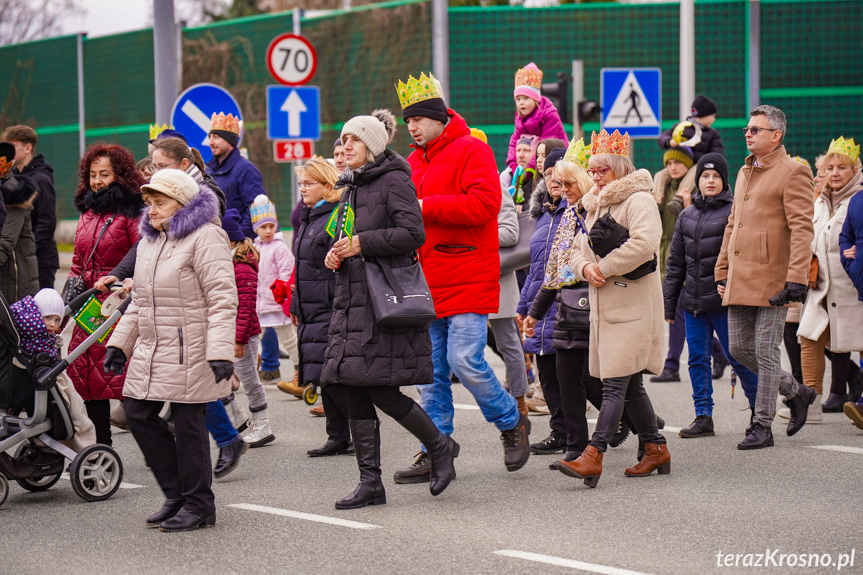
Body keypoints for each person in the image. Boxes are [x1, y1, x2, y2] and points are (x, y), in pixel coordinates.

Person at [394, 73, 530, 484]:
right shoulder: (413, 160)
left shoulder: (473, 148)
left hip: (469, 272)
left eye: (418, 118)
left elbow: (485, 206)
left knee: (464, 360)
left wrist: (424, 206)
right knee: (430, 372)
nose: (412, 127)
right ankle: (435, 448)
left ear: (438, 117)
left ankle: (511, 422)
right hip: (427, 281)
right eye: (408, 121)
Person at [321, 109, 458, 509]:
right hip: (353, 299)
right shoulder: (352, 186)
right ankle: (371, 484)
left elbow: (412, 233)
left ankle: (439, 446)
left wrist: (362, 243)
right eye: (343, 140)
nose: (345, 147)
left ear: (373, 146)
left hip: (382, 302)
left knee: (380, 387)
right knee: (352, 387)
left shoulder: (393, 179)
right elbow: (347, 235)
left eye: (354, 141)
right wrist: (337, 253)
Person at [105, 169, 237, 532]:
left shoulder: (206, 237)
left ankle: (199, 505)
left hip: (193, 347)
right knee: (137, 413)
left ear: (183, 203)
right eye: (150, 203)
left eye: (160, 202)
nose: (153, 209)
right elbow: (141, 301)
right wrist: (120, 343)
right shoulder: (150, 241)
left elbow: (223, 298)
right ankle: (176, 494)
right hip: (153, 347)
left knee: (188, 425)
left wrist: (221, 351)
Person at [557, 129, 670, 488]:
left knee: (613, 384)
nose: (596, 176)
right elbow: (574, 249)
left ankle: (594, 453)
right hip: (606, 308)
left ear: (619, 168)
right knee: (631, 385)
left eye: (602, 169)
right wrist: (584, 268)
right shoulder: (595, 204)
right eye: (592, 170)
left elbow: (645, 243)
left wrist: (601, 268)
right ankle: (656, 448)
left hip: (634, 306)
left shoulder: (638, 200)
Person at [525, 137, 640, 468]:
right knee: (567, 379)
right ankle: (576, 448)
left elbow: (613, 257)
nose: (562, 188)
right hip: (565, 309)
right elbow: (554, 272)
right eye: (559, 183)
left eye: (569, 182)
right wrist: (534, 313)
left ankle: (644, 432)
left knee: (603, 382)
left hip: (596, 304)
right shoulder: (563, 216)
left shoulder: (592, 213)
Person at [715, 105, 817, 450]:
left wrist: (797, 278)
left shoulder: (794, 172)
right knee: (739, 348)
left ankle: (762, 424)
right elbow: (733, 223)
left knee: (764, 348)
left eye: (755, 129)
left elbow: (803, 229)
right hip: (742, 274)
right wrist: (722, 267)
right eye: (747, 129)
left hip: (775, 278)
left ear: (776, 135)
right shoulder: (745, 171)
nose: (747, 133)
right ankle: (797, 392)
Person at [663, 153, 759, 437]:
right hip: (692, 303)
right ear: (698, 181)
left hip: (724, 302)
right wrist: (670, 306)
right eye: (705, 176)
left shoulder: (735, 212)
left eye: (716, 176)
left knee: (739, 357)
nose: (710, 181)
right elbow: (675, 264)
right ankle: (703, 416)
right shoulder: (686, 215)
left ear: (724, 180)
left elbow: (743, 256)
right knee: (697, 359)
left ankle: (758, 414)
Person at [67, 144, 144, 447]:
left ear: (120, 176)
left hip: (119, 303)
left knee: (126, 377)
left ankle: (164, 437)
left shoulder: (133, 211)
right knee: (86, 377)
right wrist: (68, 299)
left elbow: (143, 248)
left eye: (104, 174)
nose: (97, 181)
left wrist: (123, 279)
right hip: (89, 305)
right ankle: (101, 445)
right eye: (92, 175)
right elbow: (77, 261)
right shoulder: (88, 212)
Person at [787, 137, 863, 423]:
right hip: (820, 289)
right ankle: (812, 402)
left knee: (859, 344)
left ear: (855, 170)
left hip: (852, 288)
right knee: (808, 337)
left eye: (841, 167)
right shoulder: (819, 202)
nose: (834, 173)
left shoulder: (859, 200)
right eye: (829, 167)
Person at [290, 158, 353, 453]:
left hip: (330, 305)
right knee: (322, 375)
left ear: (327, 186)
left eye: (308, 183)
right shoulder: (309, 216)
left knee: (333, 373)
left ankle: (355, 431)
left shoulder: (337, 215)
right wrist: (295, 303)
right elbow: (303, 267)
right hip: (311, 307)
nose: (302, 188)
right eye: (300, 183)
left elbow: (342, 260)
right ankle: (337, 436)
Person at [517, 146, 568, 452]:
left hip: (567, 306)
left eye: (558, 173)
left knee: (580, 379)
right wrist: (523, 307)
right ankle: (559, 432)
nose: (552, 179)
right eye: (548, 173)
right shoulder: (541, 216)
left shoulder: (577, 212)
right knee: (547, 378)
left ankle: (631, 420)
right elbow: (535, 270)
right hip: (540, 306)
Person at [221, 208, 274, 447]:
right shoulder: (227, 263)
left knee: (250, 380)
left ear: (230, 240)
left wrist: (239, 340)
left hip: (242, 335)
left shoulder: (241, 267)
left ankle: (262, 426)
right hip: (228, 333)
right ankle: (239, 417)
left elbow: (245, 308)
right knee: (218, 379)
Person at [251, 195, 301, 391]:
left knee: (289, 339)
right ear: (256, 228)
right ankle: (247, 370)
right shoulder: (254, 248)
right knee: (252, 340)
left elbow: (287, 274)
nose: (268, 231)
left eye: (271, 226)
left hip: (277, 303)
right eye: (264, 227)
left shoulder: (279, 248)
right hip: (260, 305)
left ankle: (300, 372)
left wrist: (283, 297)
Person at [2, 125, 58, 290]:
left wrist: (28, 249)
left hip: (41, 261)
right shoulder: (12, 177)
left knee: (40, 313)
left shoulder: (41, 179)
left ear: (28, 148)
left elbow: (47, 223)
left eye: (11, 147)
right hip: (22, 260)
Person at [206, 112, 265, 238]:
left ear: (229, 140)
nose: (210, 142)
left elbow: (254, 210)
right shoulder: (209, 171)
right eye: (210, 137)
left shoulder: (246, 170)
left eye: (216, 137)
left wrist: (237, 238)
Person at [505, 62, 567, 172]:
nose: (521, 103)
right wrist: (513, 165)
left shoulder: (549, 114)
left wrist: (528, 171)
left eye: (525, 98)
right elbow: (514, 142)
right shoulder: (520, 117)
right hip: (531, 160)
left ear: (535, 99)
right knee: (506, 176)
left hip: (554, 160)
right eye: (518, 99)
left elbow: (546, 147)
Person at [0, 144, 39, 303]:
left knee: (15, 327)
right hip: (7, 278)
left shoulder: (12, 194)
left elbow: (6, 241)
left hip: (16, 282)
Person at [658, 94, 724, 163]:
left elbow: (716, 153)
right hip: (678, 164)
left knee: (692, 173)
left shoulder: (712, 134)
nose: (713, 119)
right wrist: (669, 142)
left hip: (698, 165)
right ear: (703, 114)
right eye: (712, 115)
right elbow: (663, 137)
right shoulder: (682, 127)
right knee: (660, 174)